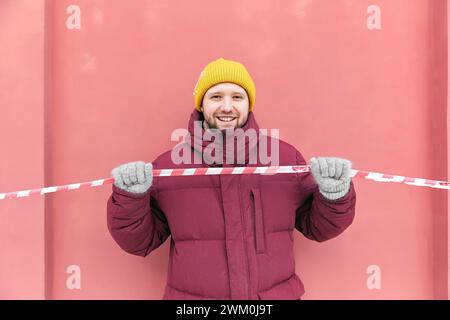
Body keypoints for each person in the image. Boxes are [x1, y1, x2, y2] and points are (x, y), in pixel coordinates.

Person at [106, 57, 356, 300]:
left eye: (237, 97)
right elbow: (139, 242)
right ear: (201, 105)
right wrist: (130, 198)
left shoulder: (285, 158)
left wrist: (333, 195)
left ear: (249, 104)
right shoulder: (168, 167)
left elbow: (319, 229)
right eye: (216, 97)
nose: (227, 107)